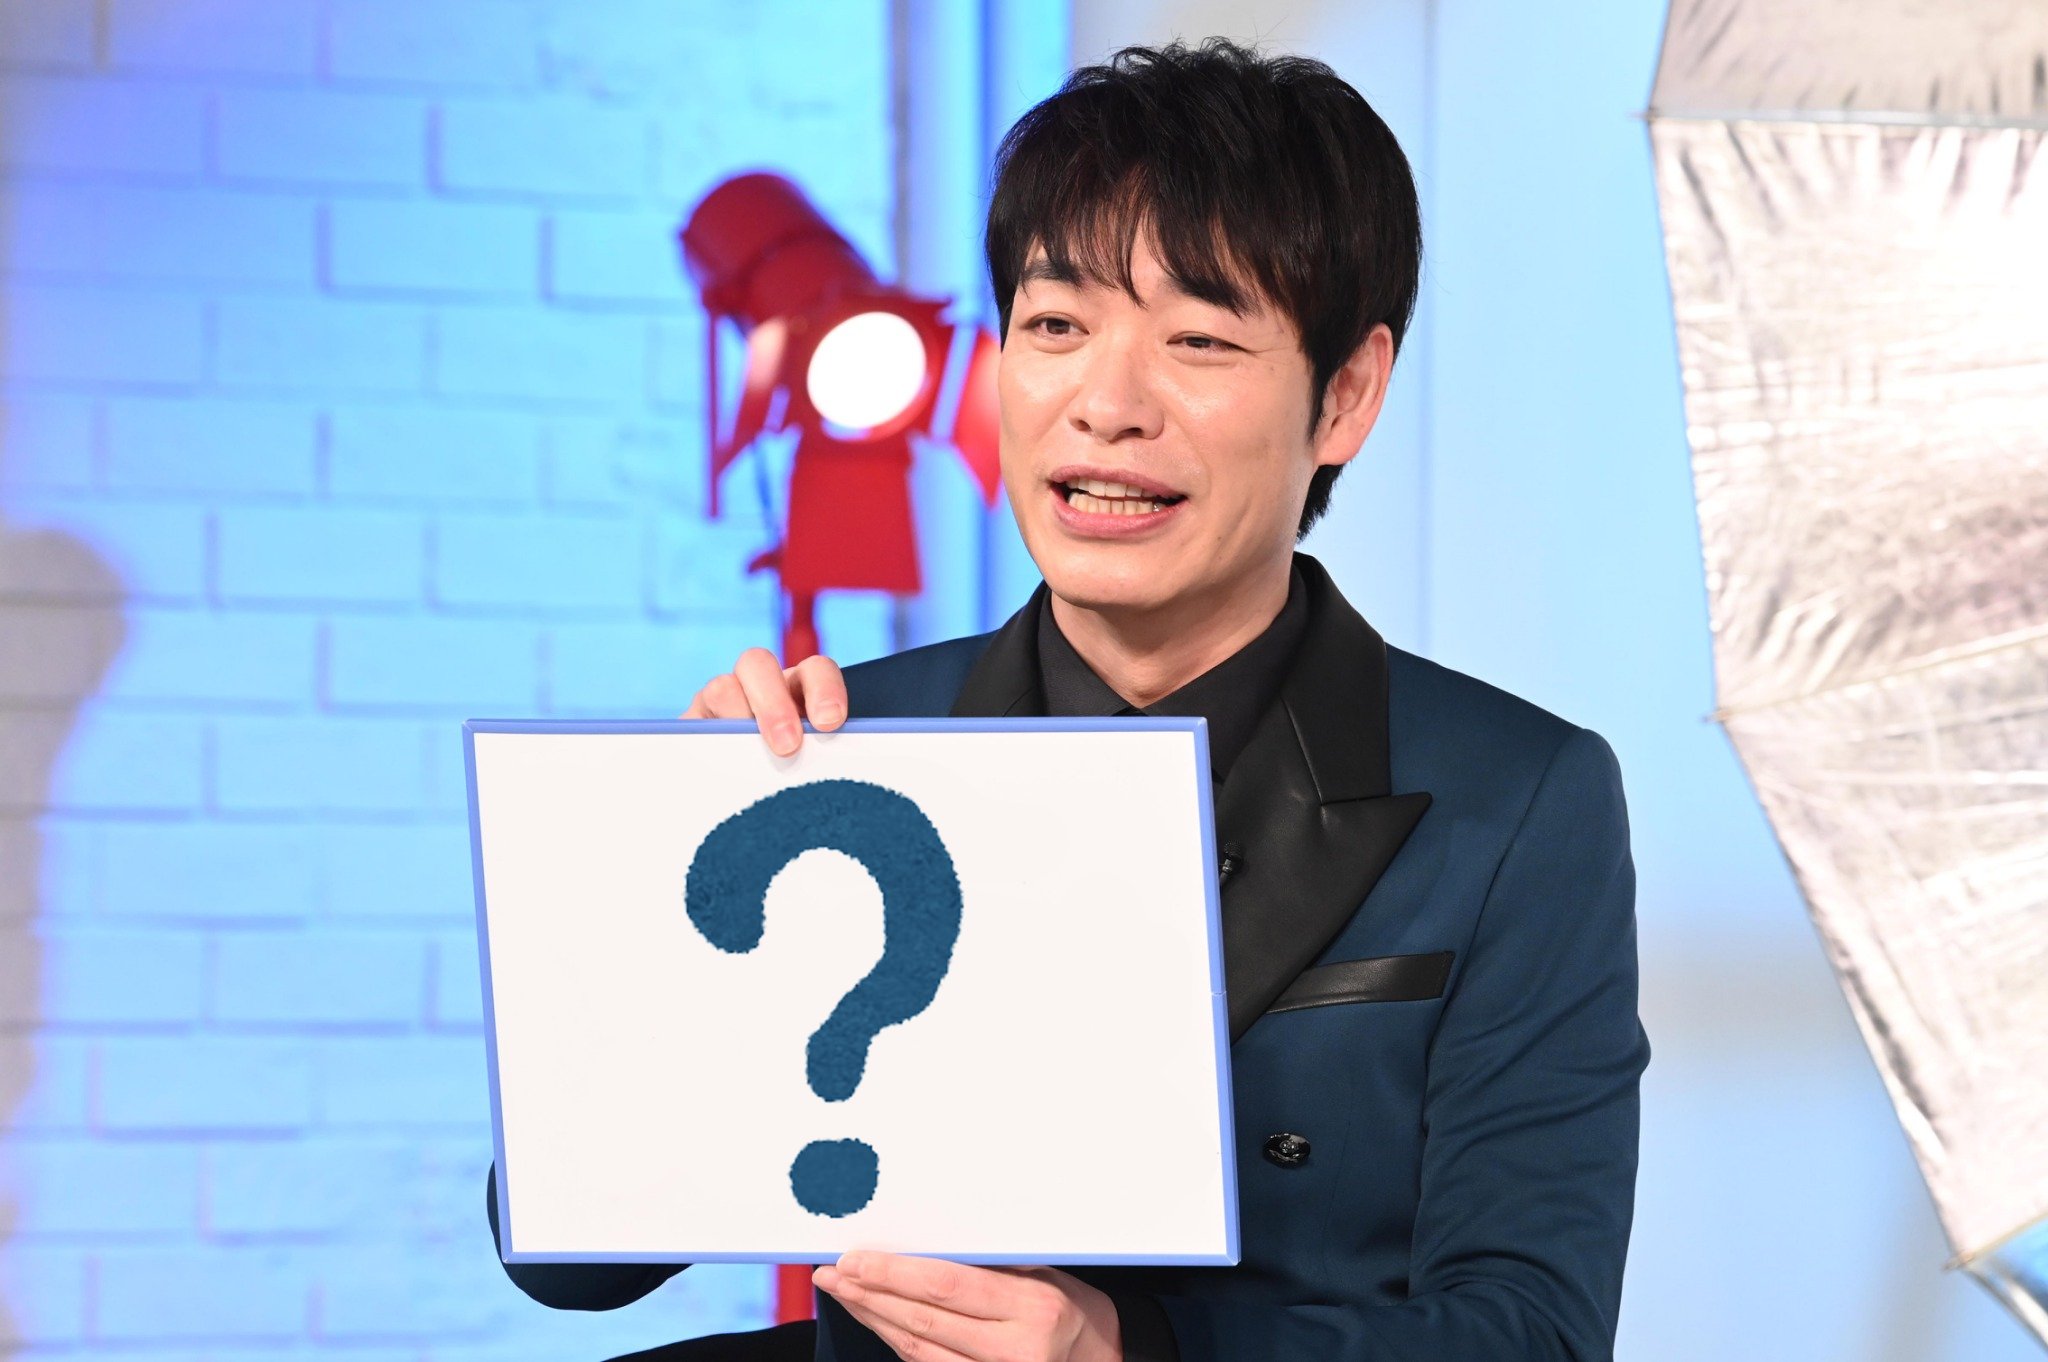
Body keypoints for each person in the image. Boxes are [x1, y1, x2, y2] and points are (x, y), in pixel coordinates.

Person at [487, 36, 1650, 1362]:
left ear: (1346, 394)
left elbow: (1532, 1331)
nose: (1107, 404)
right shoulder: (849, 743)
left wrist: (1126, 1354)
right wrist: (674, 890)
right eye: (1055, 326)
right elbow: (562, 1261)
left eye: (1200, 340)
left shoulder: (1515, 798)